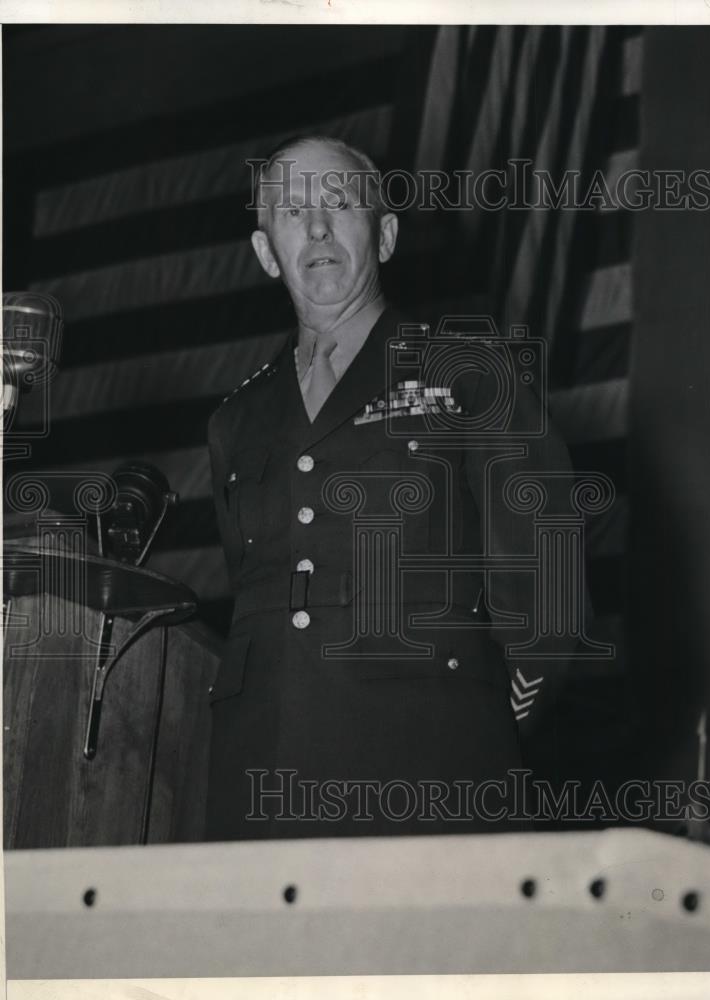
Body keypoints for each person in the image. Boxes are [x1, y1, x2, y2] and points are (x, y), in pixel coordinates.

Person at [205, 135, 578, 840]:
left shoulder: (470, 373)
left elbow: (544, 588)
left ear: (385, 235)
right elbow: (257, 598)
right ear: (265, 253)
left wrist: (477, 732)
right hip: (262, 770)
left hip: (428, 765)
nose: (316, 227)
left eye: (340, 205)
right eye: (291, 212)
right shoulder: (235, 420)